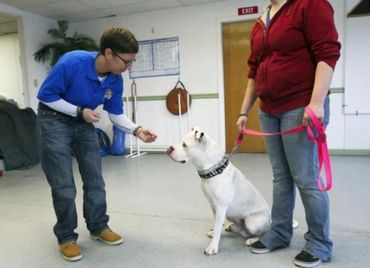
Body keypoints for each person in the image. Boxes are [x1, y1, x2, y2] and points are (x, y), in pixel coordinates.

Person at [37, 27, 157, 262]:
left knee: (95, 180)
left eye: (132, 61)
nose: (129, 67)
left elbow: (115, 114)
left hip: (83, 122)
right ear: (109, 53)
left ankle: (98, 226)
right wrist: (79, 111)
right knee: (63, 185)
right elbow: (45, 95)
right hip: (54, 119)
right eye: (127, 61)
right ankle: (66, 237)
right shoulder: (73, 62)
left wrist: (137, 130)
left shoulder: (115, 78)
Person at [236, 0, 340, 267]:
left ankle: (319, 243)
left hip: (301, 105)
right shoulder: (261, 21)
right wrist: (244, 111)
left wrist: (316, 103)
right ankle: (280, 233)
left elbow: (327, 54)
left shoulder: (310, 4)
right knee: (281, 177)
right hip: (269, 109)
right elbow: (254, 70)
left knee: (305, 177)